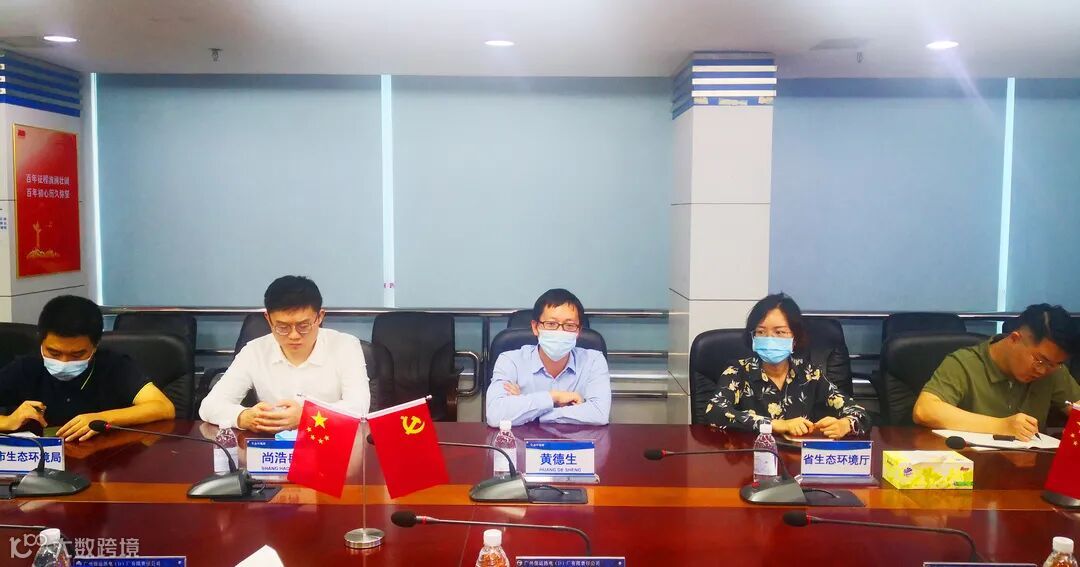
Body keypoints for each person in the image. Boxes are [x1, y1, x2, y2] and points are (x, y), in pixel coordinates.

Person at [199, 276, 370, 432]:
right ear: (268, 319)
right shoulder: (254, 351)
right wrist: (244, 417)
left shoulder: (346, 346)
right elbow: (209, 406)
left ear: (319, 317)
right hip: (271, 447)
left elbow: (359, 407)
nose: (293, 335)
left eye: (303, 326)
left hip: (329, 442)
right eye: (282, 327)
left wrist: (306, 417)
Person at [0, 295, 175, 442]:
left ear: (95, 346)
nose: (64, 362)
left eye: (77, 354)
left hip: (103, 461)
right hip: (39, 462)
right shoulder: (26, 367)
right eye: (54, 353)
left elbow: (164, 407)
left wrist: (103, 418)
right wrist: (8, 421)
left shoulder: (114, 366)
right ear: (41, 341)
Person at [704, 293, 870, 439]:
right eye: (761, 332)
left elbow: (859, 412)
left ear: (795, 338)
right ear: (753, 337)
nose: (769, 339)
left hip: (798, 459)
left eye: (779, 332)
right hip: (751, 457)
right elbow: (715, 412)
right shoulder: (738, 372)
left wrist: (845, 424)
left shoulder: (810, 374)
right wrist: (776, 424)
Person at [913, 304, 1079, 441]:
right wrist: (1001, 426)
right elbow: (924, 410)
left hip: (1031, 465)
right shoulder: (965, 363)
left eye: (1054, 365)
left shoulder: (1053, 371)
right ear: (1014, 339)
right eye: (1040, 361)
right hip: (970, 464)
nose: (1042, 370)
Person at [486, 289, 611, 426]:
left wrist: (528, 410)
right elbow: (495, 415)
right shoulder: (510, 361)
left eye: (569, 325)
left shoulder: (593, 361)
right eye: (551, 324)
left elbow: (599, 414)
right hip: (522, 439)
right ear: (535, 327)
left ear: (578, 331)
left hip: (577, 439)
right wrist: (554, 397)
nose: (560, 332)